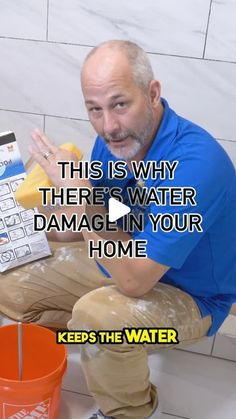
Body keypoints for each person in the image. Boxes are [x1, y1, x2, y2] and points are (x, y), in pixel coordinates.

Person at [0, 40, 236, 419]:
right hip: (126, 256)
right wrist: (26, 223)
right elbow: (102, 219)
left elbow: (134, 282)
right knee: (12, 279)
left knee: (99, 316)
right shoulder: (114, 144)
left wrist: (80, 197)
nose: (108, 125)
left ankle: (128, 410)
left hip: (192, 297)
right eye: (95, 109)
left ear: (152, 93)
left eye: (120, 104)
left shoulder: (196, 163)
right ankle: (103, 344)